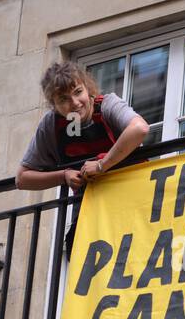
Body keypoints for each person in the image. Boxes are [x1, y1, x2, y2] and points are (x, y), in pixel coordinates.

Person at [16, 61, 150, 257]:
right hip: (91, 213)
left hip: (135, 201)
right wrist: (64, 175)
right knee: (77, 252)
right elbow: (22, 178)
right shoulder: (51, 125)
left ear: (88, 89)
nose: (75, 103)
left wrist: (102, 165)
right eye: (64, 99)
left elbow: (140, 129)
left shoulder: (106, 105)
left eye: (78, 92)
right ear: (54, 106)